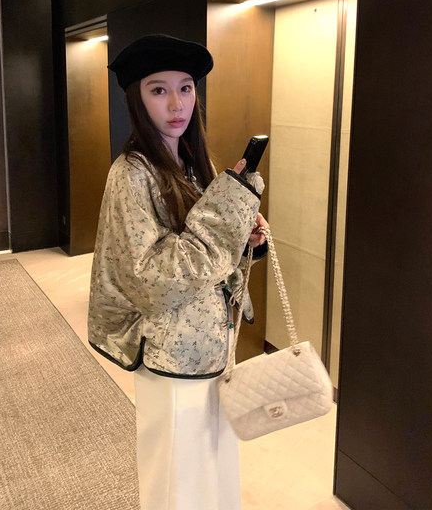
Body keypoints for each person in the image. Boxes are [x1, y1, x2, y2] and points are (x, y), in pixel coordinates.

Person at [88, 34, 269, 510]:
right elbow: (152, 281)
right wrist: (225, 218)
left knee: (213, 463)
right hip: (170, 354)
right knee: (177, 477)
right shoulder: (132, 173)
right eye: (158, 90)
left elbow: (209, 256)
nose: (176, 104)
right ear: (137, 98)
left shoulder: (194, 162)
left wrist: (244, 241)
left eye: (186, 88)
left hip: (212, 345)